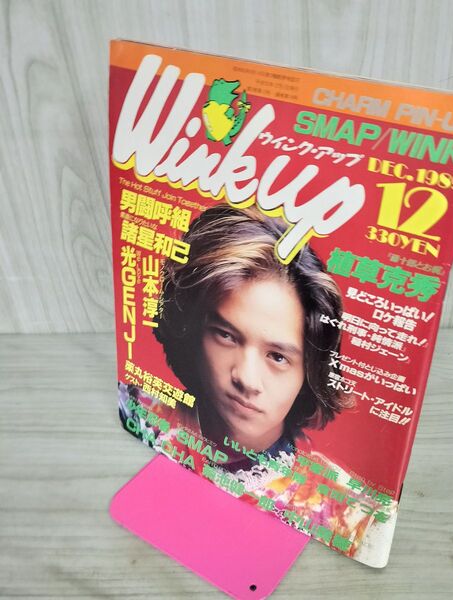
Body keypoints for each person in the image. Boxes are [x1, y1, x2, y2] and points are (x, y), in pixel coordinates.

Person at [119, 203, 396, 565]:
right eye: (226, 335)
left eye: (277, 357)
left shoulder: (349, 512)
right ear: (192, 330)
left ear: (309, 374)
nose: (246, 378)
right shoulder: (137, 409)